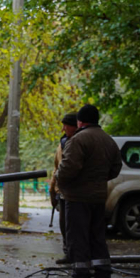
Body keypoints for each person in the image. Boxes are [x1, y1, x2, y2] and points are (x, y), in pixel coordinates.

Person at [57, 104, 122, 278]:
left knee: (78, 238)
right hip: (98, 196)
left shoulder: (78, 140)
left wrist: (61, 181)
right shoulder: (108, 140)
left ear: (80, 121)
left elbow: (68, 168)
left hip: (77, 198)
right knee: (97, 238)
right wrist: (98, 180)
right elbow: (115, 168)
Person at [49, 113, 78, 264]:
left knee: (73, 226)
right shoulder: (62, 144)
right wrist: (52, 189)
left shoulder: (78, 143)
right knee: (64, 224)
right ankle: (68, 252)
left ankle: (76, 256)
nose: (63, 128)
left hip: (75, 192)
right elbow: (56, 168)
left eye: (66, 125)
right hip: (62, 191)